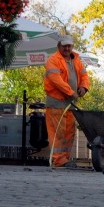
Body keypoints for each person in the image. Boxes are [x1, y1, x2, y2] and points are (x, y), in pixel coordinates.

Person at [43, 35, 90, 168]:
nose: (67, 48)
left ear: (72, 46)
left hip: (70, 104)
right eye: (64, 46)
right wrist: (71, 92)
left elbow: (84, 76)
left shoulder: (76, 60)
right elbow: (56, 80)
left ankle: (65, 159)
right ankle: (58, 159)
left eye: (69, 46)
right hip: (56, 103)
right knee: (58, 132)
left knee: (69, 132)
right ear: (59, 46)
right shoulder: (53, 60)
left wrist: (84, 87)